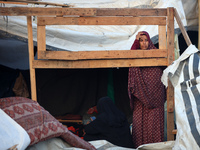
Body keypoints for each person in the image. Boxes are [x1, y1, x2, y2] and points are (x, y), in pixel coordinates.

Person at [128, 31, 166, 148]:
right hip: (140, 98)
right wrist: (134, 41)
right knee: (140, 125)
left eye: (146, 40)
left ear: (149, 41)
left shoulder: (155, 53)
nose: (144, 43)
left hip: (156, 98)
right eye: (141, 40)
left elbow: (165, 68)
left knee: (154, 125)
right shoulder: (135, 55)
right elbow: (129, 56)